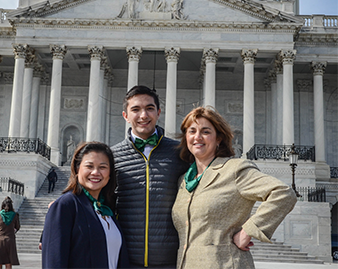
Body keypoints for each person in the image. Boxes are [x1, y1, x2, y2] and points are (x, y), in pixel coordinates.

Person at [172, 106, 297, 269]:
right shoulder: (183, 180)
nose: (198, 137)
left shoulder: (234, 169)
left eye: (206, 131)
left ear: (218, 139)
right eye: (192, 131)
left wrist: (248, 231)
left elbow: (283, 193)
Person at [112, 85, 188, 269]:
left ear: (159, 112)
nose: (143, 115)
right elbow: (93, 199)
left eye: (149, 108)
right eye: (135, 109)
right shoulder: (112, 156)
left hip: (170, 261)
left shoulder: (180, 153)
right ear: (125, 116)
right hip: (126, 261)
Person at [42, 142, 129, 269]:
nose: (95, 172)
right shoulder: (65, 205)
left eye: (103, 167)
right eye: (89, 166)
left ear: (110, 173)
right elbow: (54, 261)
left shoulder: (107, 208)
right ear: (77, 169)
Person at [0, 197, 20, 269]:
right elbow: (17, 227)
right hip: (10, 240)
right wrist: (13, 231)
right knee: (8, 263)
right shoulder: (14, 215)